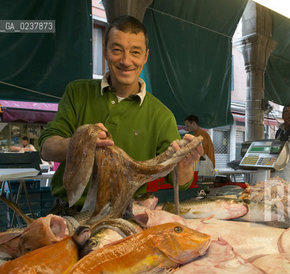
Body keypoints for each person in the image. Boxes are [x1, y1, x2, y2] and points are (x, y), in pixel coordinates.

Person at [38, 15, 203, 209]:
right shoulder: (77, 92)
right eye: (117, 50)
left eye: (135, 52)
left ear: (145, 56)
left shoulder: (161, 115)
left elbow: (179, 182)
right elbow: (47, 148)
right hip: (68, 213)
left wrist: (184, 163)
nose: (126, 61)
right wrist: (82, 143)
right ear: (105, 50)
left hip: (126, 215)